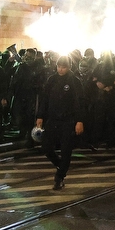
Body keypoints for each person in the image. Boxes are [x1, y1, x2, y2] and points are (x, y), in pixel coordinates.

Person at [35, 55, 87, 190]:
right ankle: (60, 164)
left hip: (68, 120)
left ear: (69, 67)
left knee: (66, 150)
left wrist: (79, 120)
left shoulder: (75, 81)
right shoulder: (52, 80)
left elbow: (80, 103)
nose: (61, 69)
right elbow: (45, 99)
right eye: (59, 66)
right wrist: (40, 116)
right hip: (52, 119)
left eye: (63, 67)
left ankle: (60, 176)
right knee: (46, 147)